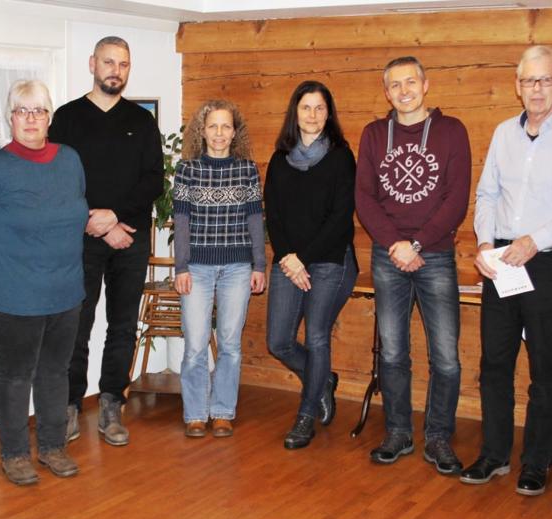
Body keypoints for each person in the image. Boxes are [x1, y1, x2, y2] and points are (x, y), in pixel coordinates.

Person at [464, 45, 552, 496]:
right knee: (494, 363)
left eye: (545, 80)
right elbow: (486, 195)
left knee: (545, 369)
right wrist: (486, 241)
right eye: (528, 81)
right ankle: (495, 453)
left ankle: (537, 461)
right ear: (517, 86)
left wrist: (534, 241)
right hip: (502, 262)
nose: (536, 89)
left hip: (547, 264)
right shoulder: (504, 134)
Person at [0, 80, 87, 485]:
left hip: (65, 290)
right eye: (22, 111)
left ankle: (51, 447)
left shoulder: (69, 160)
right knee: (14, 375)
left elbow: (76, 210)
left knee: (54, 372)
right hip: (13, 295)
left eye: (38, 111)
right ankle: (14, 455)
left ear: (49, 117)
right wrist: (7, 254)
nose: (31, 119)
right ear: (10, 118)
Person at [355, 57, 471, 474]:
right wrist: (396, 244)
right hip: (388, 256)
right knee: (393, 353)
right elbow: (365, 199)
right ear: (386, 92)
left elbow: (456, 199)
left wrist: (417, 243)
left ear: (426, 84)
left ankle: (438, 437)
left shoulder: (452, 131)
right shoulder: (372, 135)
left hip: (436, 254)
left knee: (446, 358)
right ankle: (399, 432)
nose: (403, 91)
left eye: (410, 82)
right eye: (394, 85)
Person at [48, 36, 163, 447]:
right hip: (80, 237)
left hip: (130, 236)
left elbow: (152, 178)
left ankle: (112, 401)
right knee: (76, 325)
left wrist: (115, 218)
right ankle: (70, 405)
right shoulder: (66, 118)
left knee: (123, 324)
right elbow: (58, 182)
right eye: (109, 62)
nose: (116, 70)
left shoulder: (142, 121)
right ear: (92, 63)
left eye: (124, 64)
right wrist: (92, 220)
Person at [264, 80, 359, 450]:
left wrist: (302, 258)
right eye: (307, 107)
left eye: (320, 108)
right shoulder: (279, 159)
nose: (313, 115)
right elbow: (273, 214)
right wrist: (289, 257)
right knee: (278, 341)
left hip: (331, 262)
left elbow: (340, 217)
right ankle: (323, 381)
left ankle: (306, 414)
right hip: (290, 262)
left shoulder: (340, 157)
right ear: (295, 112)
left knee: (317, 336)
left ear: (328, 113)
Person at [172, 99, 266, 438]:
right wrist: (180, 266)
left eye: (226, 126)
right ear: (202, 131)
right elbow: (180, 222)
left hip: (238, 268)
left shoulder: (247, 170)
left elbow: (256, 219)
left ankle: (223, 411)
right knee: (196, 343)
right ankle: (196, 414)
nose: (219, 133)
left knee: (229, 343)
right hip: (196, 267)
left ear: (235, 132)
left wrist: (259, 264)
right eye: (213, 126)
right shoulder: (187, 170)